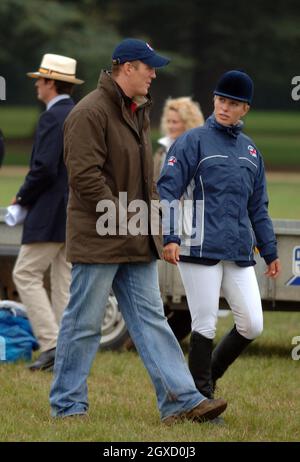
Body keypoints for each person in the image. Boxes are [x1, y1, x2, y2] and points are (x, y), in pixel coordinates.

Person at [49, 38, 227, 424]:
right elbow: (85, 178)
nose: (154, 73)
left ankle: (181, 401)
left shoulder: (136, 111)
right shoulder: (89, 113)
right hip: (101, 238)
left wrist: (153, 227)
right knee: (83, 323)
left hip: (134, 236)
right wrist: (127, 218)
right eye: (148, 67)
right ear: (127, 67)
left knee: (152, 321)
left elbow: (146, 181)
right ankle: (67, 406)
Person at [157, 70, 281, 400]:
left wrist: (270, 250)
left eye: (233, 103)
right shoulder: (192, 141)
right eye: (221, 100)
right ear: (213, 100)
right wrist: (170, 235)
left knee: (253, 324)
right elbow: (167, 189)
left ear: (246, 109)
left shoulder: (251, 151)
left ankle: (203, 380)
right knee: (205, 323)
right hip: (197, 247)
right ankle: (200, 398)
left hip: (238, 250)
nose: (225, 107)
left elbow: (258, 205)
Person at [12, 54, 84, 371]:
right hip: (73, 210)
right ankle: (65, 350)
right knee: (63, 281)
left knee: (24, 274)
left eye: (39, 80)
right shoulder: (80, 114)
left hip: (50, 210)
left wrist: (21, 197)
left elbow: (43, 169)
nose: (37, 86)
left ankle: (52, 343)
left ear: (51, 82)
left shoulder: (52, 117)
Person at [153, 97, 204, 180]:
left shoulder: (198, 153)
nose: (170, 126)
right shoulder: (160, 152)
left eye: (174, 122)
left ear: (189, 123)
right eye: (168, 121)